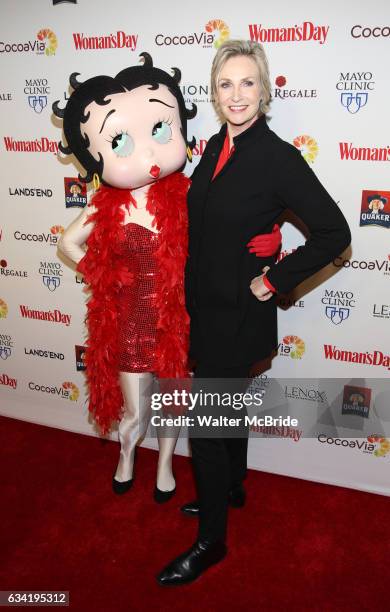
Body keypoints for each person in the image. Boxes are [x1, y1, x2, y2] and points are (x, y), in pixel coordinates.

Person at [157, 39, 351, 585]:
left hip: (238, 313)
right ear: (214, 94)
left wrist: (275, 275)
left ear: (264, 91)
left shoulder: (277, 156)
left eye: (247, 83)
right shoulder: (215, 145)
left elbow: (336, 232)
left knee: (207, 426)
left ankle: (211, 542)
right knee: (230, 411)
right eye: (225, 84)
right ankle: (232, 487)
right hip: (203, 307)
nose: (236, 94)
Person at [54, 54, 196, 502]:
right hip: (131, 322)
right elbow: (66, 244)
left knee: (173, 400)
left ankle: (167, 462)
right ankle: (128, 453)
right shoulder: (104, 205)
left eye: (159, 130)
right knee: (135, 410)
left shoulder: (191, 195)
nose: (148, 153)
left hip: (179, 320)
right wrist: (102, 275)